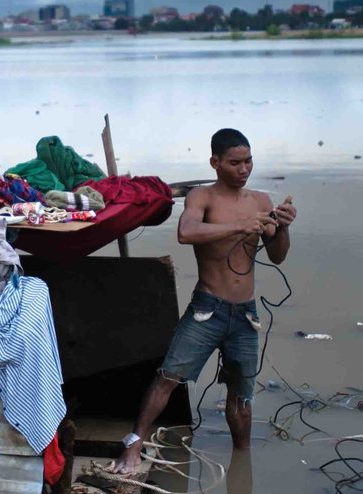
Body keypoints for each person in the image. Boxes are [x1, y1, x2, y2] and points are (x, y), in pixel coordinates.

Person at [108, 128, 298, 473]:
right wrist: (241, 227)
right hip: (207, 310)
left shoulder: (261, 201)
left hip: (246, 315)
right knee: (168, 376)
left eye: (249, 161)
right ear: (215, 162)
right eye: (235, 162)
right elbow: (187, 232)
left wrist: (282, 228)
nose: (244, 169)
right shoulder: (202, 197)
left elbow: (278, 257)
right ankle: (133, 445)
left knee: (241, 395)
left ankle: (243, 464)